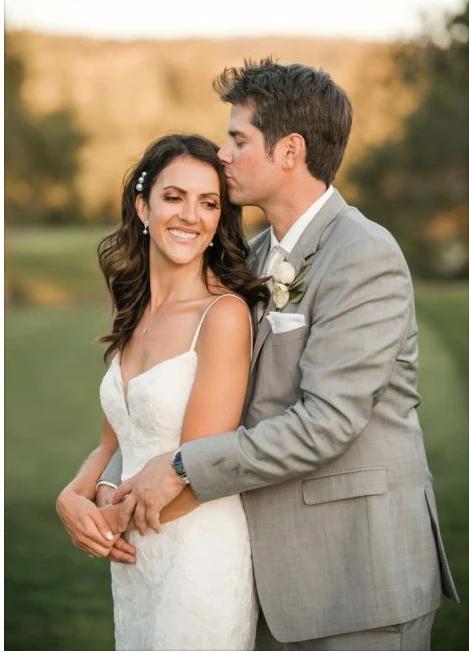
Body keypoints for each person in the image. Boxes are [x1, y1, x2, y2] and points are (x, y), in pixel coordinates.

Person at [64, 59, 458, 650]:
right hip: (263, 574)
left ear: (290, 151)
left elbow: (326, 424)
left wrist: (174, 471)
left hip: (355, 577)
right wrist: (97, 489)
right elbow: (180, 398)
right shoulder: (248, 259)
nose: (223, 154)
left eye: (238, 139)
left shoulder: (362, 254)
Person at [56, 133, 269, 650]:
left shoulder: (223, 316)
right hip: (135, 562)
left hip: (197, 556)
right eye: (174, 197)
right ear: (143, 207)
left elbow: (196, 468)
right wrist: (70, 497)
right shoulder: (132, 311)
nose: (190, 216)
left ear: (220, 220)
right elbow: (113, 443)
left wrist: (104, 524)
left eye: (208, 202)